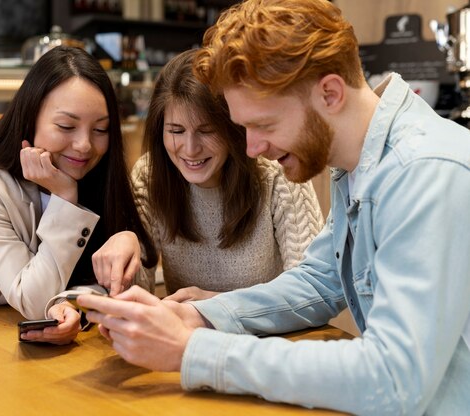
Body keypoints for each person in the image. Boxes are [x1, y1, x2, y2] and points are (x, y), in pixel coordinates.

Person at [78, 0, 470, 414]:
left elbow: (393, 380)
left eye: (263, 125)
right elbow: (319, 281)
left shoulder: (423, 172)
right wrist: (199, 316)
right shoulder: (359, 163)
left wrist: (195, 351)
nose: (251, 148)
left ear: (330, 93)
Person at [0, 46, 157, 344]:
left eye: (100, 129)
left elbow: (138, 289)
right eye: (66, 126)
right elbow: (32, 300)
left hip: (70, 352)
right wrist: (66, 198)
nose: (84, 145)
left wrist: (75, 303)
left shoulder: (102, 176)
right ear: (30, 118)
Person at [131, 49, 323, 300]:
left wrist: (218, 306)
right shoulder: (149, 175)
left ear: (233, 127)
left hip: (268, 337)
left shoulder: (276, 172)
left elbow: (313, 291)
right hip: (187, 338)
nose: (190, 149)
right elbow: (134, 294)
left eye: (206, 131)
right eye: (176, 131)